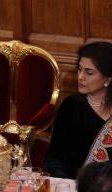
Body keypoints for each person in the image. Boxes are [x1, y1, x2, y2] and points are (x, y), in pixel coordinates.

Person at [44, 41, 112, 179]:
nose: (81, 77)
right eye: (79, 70)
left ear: (108, 78)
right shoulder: (72, 106)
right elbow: (54, 158)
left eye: (89, 72)